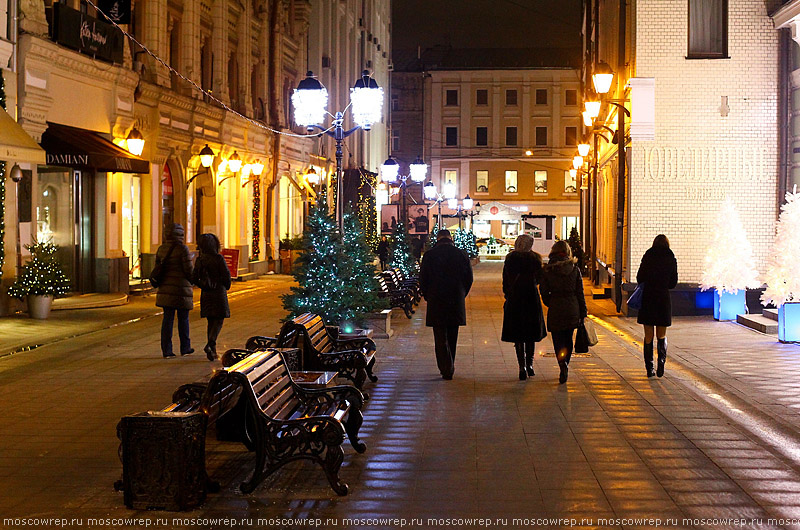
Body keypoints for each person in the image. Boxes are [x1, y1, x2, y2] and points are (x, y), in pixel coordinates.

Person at [419, 229, 473, 380]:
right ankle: (450, 364)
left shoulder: (429, 255)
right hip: (455, 299)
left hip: (436, 300)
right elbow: (469, 277)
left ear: (437, 239)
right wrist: (462, 293)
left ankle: (445, 367)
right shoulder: (461, 254)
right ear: (451, 238)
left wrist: (427, 295)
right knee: (452, 335)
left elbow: (423, 278)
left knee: (440, 336)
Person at [539, 240, 587, 384]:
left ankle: (562, 364)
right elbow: (580, 292)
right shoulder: (574, 269)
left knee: (558, 340)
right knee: (568, 339)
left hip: (556, 307)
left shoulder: (548, 270)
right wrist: (583, 312)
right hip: (572, 307)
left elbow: (543, 292)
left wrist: (551, 303)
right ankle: (566, 362)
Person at [501, 234, 547, 381]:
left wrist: (507, 294)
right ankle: (530, 365)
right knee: (530, 334)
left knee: (518, 334)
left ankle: (521, 367)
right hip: (531, 298)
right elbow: (540, 279)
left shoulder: (510, 259)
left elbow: (505, 280)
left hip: (515, 298)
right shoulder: (535, 259)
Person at [636, 234, 678, 378]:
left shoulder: (648, 256)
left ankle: (649, 368)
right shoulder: (671, 258)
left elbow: (639, 277)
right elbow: (673, 283)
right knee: (662, 335)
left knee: (648, 336)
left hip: (648, 298)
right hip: (662, 300)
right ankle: (661, 363)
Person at [155, 223, 194, 358]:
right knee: (183, 319)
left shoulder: (161, 249)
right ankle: (185, 347)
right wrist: (194, 281)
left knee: (167, 320)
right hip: (181, 289)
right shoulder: (183, 249)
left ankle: (167, 350)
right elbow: (189, 270)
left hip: (165, 289)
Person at [192, 233, 231, 361]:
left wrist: (203, 284)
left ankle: (212, 348)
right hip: (218, 293)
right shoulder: (218, 258)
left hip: (207, 293)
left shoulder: (200, 260)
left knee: (211, 321)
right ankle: (210, 344)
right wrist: (225, 284)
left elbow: (194, 277)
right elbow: (226, 276)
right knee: (219, 320)